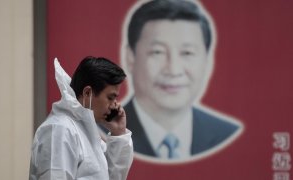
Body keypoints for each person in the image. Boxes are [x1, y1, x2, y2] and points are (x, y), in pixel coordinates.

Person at [121, 0, 243, 160]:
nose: (173, 70)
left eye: (187, 53)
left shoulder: (227, 134)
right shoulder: (101, 133)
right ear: (130, 57)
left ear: (207, 60)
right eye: (157, 52)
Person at [29, 56, 133, 179]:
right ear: (87, 93)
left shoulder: (87, 134)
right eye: (110, 97)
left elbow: (113, 177)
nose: (114, 105)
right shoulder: (60, 129)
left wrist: (118, 133)